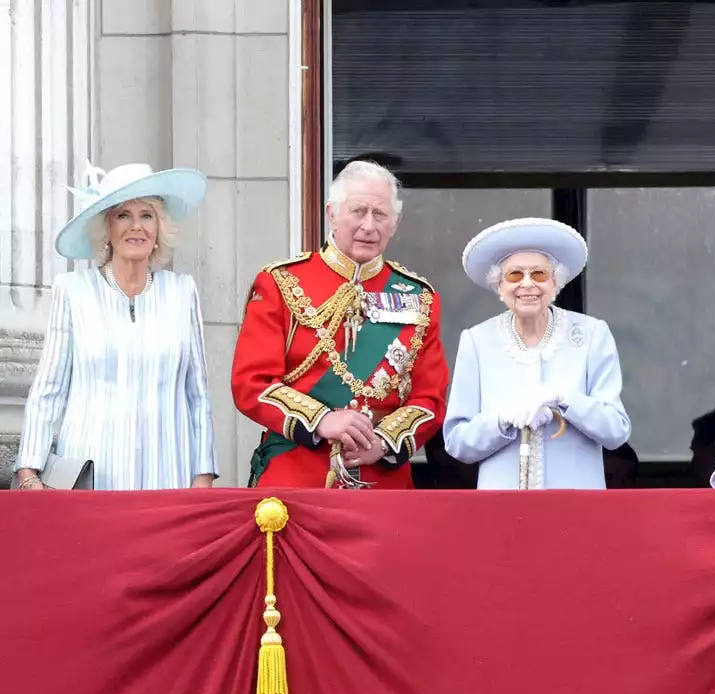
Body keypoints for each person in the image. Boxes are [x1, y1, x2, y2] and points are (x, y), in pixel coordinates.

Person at [231, 160, 448, 488]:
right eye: (358, 211)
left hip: (384, 482)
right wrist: (322, 420)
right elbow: (251, 383)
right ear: (331, 213)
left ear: (395, 224)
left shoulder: (420, 297)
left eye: (380, 215)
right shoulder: (281, 282)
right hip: (295, 476)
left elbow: (430, 398)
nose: (369, 226)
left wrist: (385, 442)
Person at [14, 162, 217, 491]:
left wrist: (203, 475)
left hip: (168, 477)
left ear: (158, 229)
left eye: (146, 215)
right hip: (91, 479)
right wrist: (29, 472)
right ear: (106, 226)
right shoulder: (73, 290)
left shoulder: (182, 292)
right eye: (123, 215)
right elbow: (49, 390)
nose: (135, 226)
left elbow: (198, 394)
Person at [443, 218, 631, 489]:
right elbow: (458, 442)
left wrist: (565, 399)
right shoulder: (477, 340)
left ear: (556, 283)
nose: (528, 285)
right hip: (503, 507)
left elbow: (616, 431)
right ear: (499, 286)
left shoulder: (592, 334)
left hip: (575, 505)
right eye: (515, 275)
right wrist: (502, 419)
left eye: (540, 274)